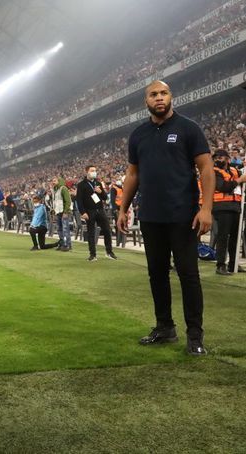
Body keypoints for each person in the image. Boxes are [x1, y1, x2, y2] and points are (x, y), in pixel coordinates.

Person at [117, 80, 214, 356]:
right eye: (153, 94)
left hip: (183, 215)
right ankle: (164, 327)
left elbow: (206, 169)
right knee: (156, 274)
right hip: (150, 216)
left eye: (163, 93)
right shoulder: (138, 135)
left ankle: (195, 336)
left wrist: (206, 208)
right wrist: (123, 209)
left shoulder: (188, 128)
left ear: (171, 96)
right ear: (146, 101)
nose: (159, 98)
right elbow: (132, 174)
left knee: (188, 275)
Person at [211, 149, 246, 274]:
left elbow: (240, 182)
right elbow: (222, 187)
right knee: (223, 236)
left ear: (227, 159)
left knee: (235, 238)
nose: (217, 160)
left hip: (236, 206)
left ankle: (233, 264)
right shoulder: (214, 172)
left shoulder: (234, 170)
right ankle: (221, 265)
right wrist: (239, 180)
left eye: (220, 158)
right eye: (216, 158)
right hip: (222, 206)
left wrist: (241, 179)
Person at [76, 165, 117, 261]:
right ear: (87, 172)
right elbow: (79, 200)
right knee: (91, 233)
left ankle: (109, 252)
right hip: (89, 211)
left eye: (95, 170)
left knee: (107, 230)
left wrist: (100, 191)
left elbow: (105, 198)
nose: (94, 172)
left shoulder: (98, 183)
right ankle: (92, 254)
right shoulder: (81, 185)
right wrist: (83, 212)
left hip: (100, 210)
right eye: (92, 170)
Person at [51, 177, 72, 251]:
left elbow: (68, 201)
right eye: (52, 181)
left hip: (63, 212)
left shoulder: (63, 189)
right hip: (58, 212)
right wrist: (53, 212)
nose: (53, 182)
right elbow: (55, 202)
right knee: (59, 229)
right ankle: (62, 243)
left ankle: (67, 245)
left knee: (65, 229)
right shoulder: (55, 190)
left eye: (54, 180)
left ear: (59, 181)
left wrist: (66, 212)